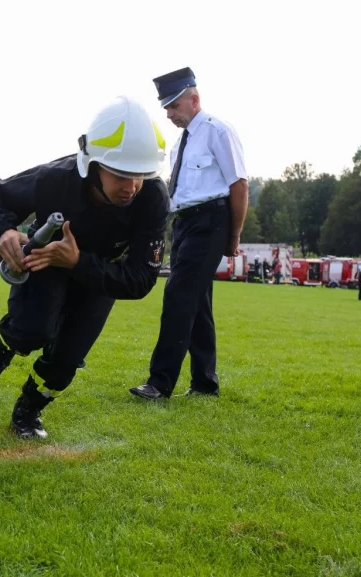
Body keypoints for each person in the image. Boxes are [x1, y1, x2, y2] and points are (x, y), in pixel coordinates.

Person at [0, 95, 168, 439]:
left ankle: (28, 410)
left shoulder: (153, 199)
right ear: (92, 163)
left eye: (141, 175)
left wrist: (78, 261)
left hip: (101, 275)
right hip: (46, 264)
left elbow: (140, 279)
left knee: (65, 362)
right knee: (33, 330)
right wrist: (3, 231)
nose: (132, 186)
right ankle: (6, 343)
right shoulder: (54, 179)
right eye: (121, 174)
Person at [131, 67, 248, 401]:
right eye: (166, 107)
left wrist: (234, 236)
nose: (168, 114)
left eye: (174, 106)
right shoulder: (183, 141)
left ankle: (160, 382)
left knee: (179, 296)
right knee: (197, 304)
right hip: (184, 223)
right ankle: (204, 383)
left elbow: (239, 185)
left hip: (210, 221)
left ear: (194, 99)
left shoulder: (217, 132)